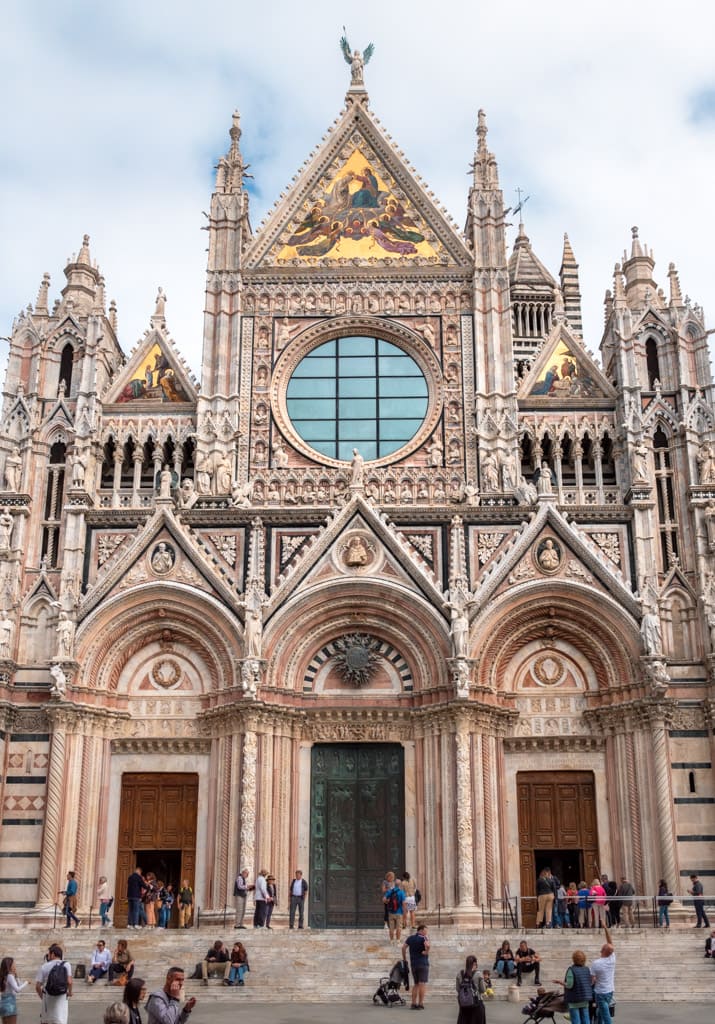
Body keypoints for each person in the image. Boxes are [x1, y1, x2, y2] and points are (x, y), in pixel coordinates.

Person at [35, 944, 72, 1024]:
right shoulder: (66, 964)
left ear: (53, 954)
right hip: (61, 997)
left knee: (46, 1020)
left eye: (49, 954)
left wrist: (42, 996)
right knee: (60, 1020)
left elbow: (38, 986)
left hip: (48, 998)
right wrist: (70, 992)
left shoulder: (44, 966)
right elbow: (69, 982)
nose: (48, 955)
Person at [556, 949, 592, 1024]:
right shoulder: (587, 969)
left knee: (576, 1020)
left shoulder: (571, 970)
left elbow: (569, 985)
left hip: (574, 1000)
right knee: (586, 1019)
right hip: (585, 998)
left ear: (574, 959)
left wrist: (561, 983)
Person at [402, 923, 430, 1011]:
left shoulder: (410, 938)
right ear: (421, 930)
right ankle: (420, 1004)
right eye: (425, 930)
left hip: (413, 964)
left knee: (416, 984)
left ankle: (413, 1004)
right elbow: (426, 949)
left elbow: (403, 948)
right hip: (423, 963)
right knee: (422, 984)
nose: (426, 932)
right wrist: (427, 950)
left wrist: (405, 959)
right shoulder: (424, 938)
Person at [590, 928, 616, 1024]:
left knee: (605, 1015)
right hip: (610, 990)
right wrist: (605, 928)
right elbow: (610, 942)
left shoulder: (596, 963)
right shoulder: (612, 959)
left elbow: (592, 980)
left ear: (603, 950)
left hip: (600, 992)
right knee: (600, 1012)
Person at [455, 954, 485, 1024]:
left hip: (464, 1005)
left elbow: (457, 989)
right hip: (476, 1004)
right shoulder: (478, 974)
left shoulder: (460, 974)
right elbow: (483, 990)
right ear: (475, 963)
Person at [0, 957, 27, 1024]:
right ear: (9, 965)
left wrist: (16, 976)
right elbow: (17, 989)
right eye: (14, 964)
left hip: (3, 1004)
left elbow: (17, 986)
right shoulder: (10, 976)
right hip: (10, 1005)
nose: (15, 965)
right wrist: (26, 983)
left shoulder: (4, 976)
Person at [383, 876, 405, 941]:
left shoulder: (390, 891)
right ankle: (398, 940)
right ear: (400, 884)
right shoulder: (401, 892)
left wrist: (388, 902)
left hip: (391, 912)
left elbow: (383, 899)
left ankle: (391, 940)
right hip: (399, 912)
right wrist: (404, 912)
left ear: (394, 884)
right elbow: (404, 903)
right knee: (399, 928)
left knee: (391, 928)